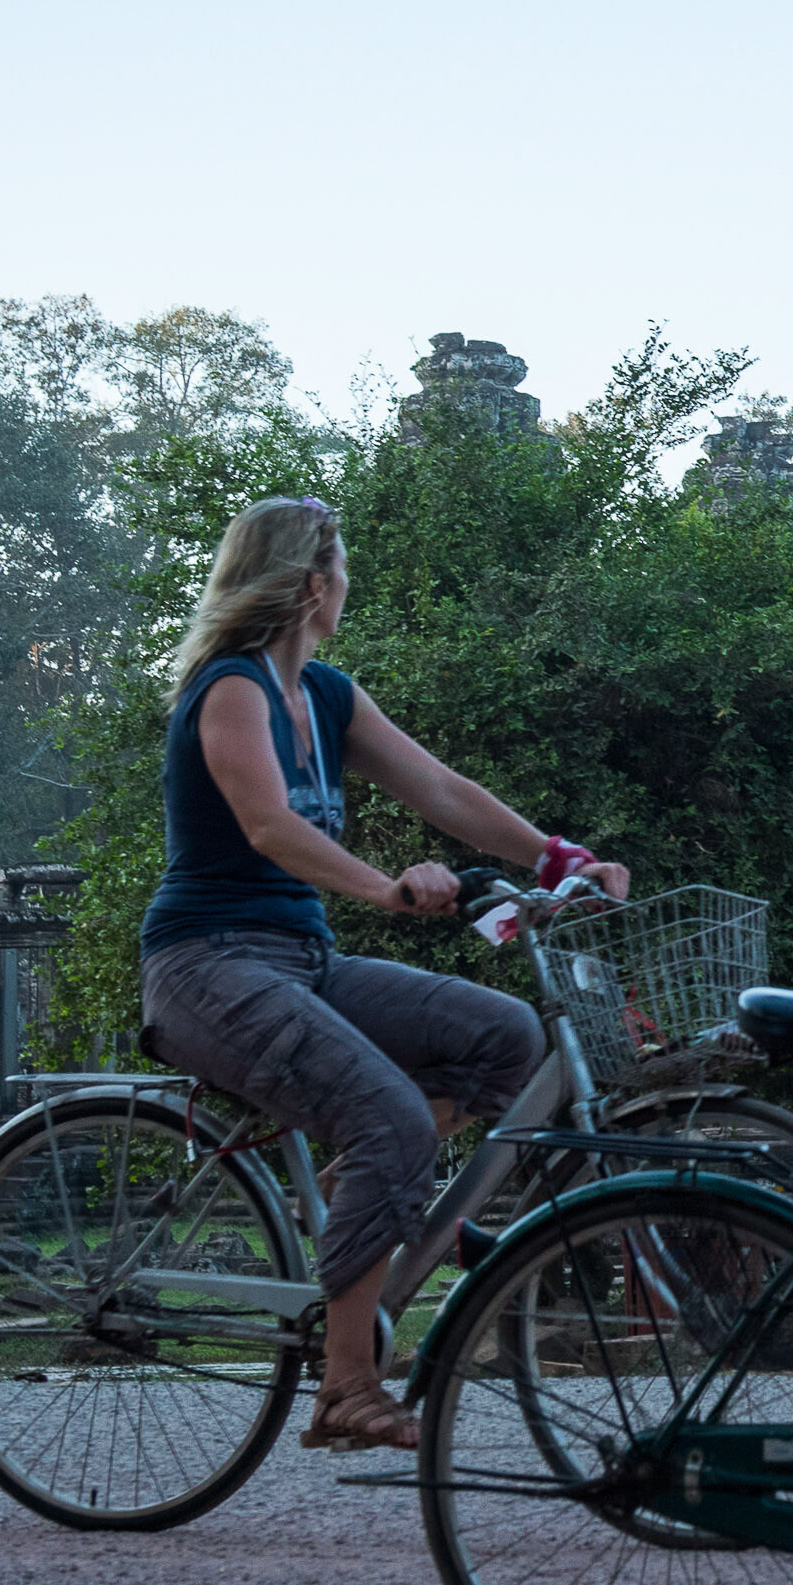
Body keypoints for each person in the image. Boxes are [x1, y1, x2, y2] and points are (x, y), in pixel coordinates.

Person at [134, 494, 629, 1453]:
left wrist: (554, 857)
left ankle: (362, 1188)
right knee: (390, 1119)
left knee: (506, 1038)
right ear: (313, 586)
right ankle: (346, 1386)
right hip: (206, 964)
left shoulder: (328, 695)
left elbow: (439, 788)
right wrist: (387, 889)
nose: (346, 588)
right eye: (344, 571)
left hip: (301, 961)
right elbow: (269, 827)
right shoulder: (231, 689)